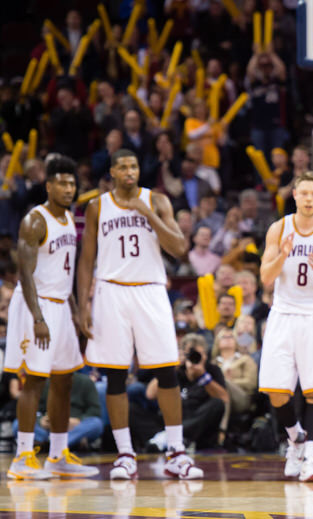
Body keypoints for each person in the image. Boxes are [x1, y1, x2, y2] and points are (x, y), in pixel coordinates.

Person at [78, 149, 203, 480]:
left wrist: (148, 213)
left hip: (150, 289)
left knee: (167, 372)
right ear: (112, 172)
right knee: (115, 375)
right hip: (110, 291)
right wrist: (82, 305)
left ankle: (176, 452)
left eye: (134, 165)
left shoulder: (157, 200)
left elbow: (179, 248)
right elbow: (86, 260)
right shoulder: (96, 206)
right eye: (122, 166)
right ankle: (125, 454)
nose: (130, 171)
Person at [4, 156, 98, 479]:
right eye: (62, 183)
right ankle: (22, 458)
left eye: (72, 184)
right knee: (35, 380)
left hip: (60, 305)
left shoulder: (71, 219)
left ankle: (58, 456)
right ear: (49, 186)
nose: (68, 188)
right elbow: (25, 274)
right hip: (37, 304)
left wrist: (74, 313)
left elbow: (65, 274)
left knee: (65, 379)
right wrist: (39, 317)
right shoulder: (35, 220)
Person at [259, 171, 313, 482]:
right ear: (294, 195)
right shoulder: (279, 228)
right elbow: (266, 277)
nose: (308, 198)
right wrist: (282, 255)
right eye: (303, 193)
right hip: (283, 314)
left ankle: (311, 460)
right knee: (277, 392)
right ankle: (295, 439)